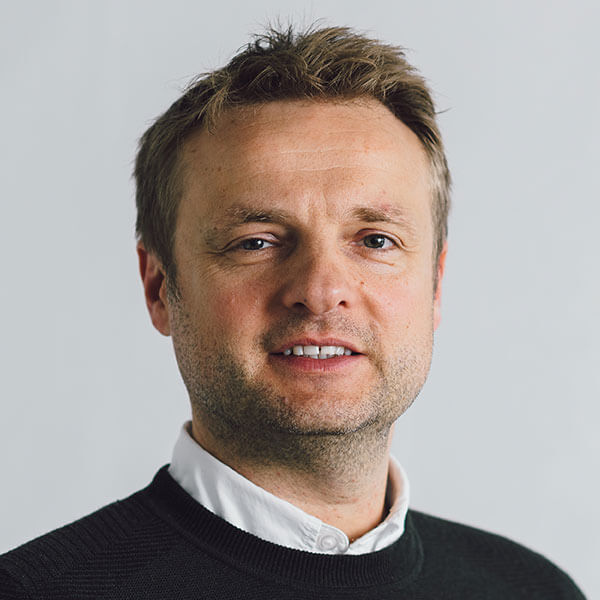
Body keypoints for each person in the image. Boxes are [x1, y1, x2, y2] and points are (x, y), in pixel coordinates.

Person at [0, 24, 585, 599]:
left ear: (435, 284)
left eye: (376, 240)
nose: (321, 290)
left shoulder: (533, 591)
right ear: (159, 287)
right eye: (256, 241)